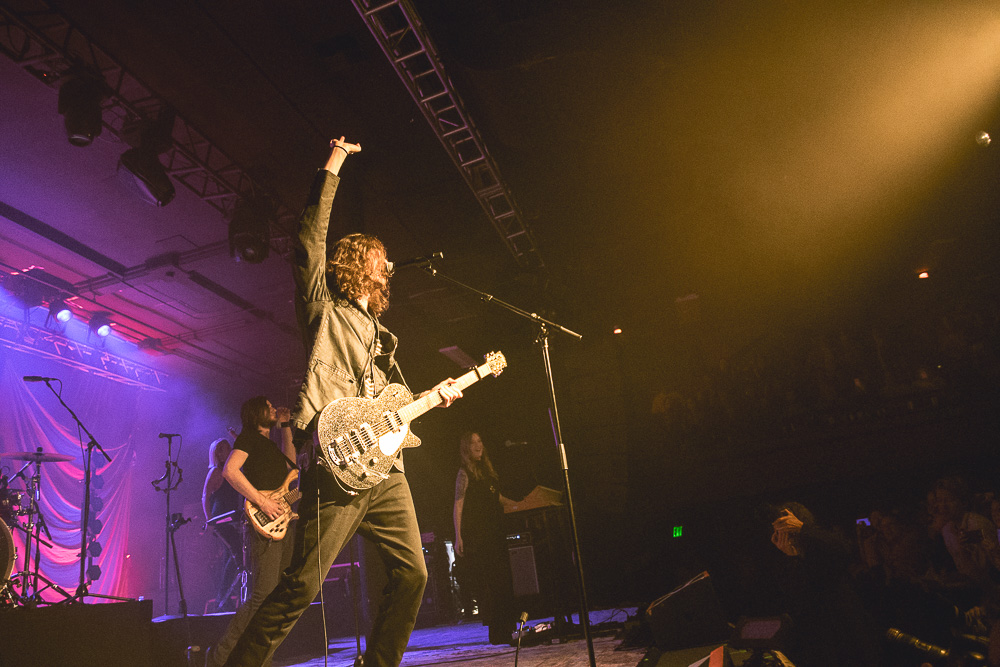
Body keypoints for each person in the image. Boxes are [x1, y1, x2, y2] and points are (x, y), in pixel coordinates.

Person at [223, 136, 463, 667]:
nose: (388, 264)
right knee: (301, 585)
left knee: (415, 573)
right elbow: (309, 242)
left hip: (384, 467)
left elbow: (386, 402)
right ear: (358, 262)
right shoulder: (322, 310)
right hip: (336, 466)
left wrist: (432, 398)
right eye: (380, 257)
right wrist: (332, 166)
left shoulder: (382, 334)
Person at [208, 398, 297, 667]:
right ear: (255, 413)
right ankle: (219, 657)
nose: (274, 408)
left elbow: (291, 466)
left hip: (282, 521)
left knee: (275, 595)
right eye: (268, 407)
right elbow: (230, 471)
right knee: (261, 594)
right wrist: (262, 501)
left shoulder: (268, 443)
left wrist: (286, 427)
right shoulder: (247, 438)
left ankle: (260, 658)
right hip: (263, 523)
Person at [769, 502, 882, 666]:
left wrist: (802, 529)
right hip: (822, 642)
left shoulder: (822, 545)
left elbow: (842, 550)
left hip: (849, 631)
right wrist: (791, 556)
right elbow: (798, 596)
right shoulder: (787, 561)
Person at [453, 431, 516, 644]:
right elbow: (458, 504)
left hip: (495, 531)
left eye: (480, 440)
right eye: (473, 442)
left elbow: (497, 498)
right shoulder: (464, 473)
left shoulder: (486, 471)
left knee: (503, 581)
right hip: (479, 535)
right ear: (466, 448)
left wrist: (520, 504)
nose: (478, 444)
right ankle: (498, 632)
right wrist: (458, 536)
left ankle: (508, 628)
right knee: (491, 581)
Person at [202, 433, 242, 612]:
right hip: (220, 518)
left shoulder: (233, 469)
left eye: (227, 448)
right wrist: (209, 519)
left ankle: (224, 598)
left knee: (231, 554)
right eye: (221, 450)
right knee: (237, 550)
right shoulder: (216, 471)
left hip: (232, 517)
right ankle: (222, 596)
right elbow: (205, 496)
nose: (225, 452)